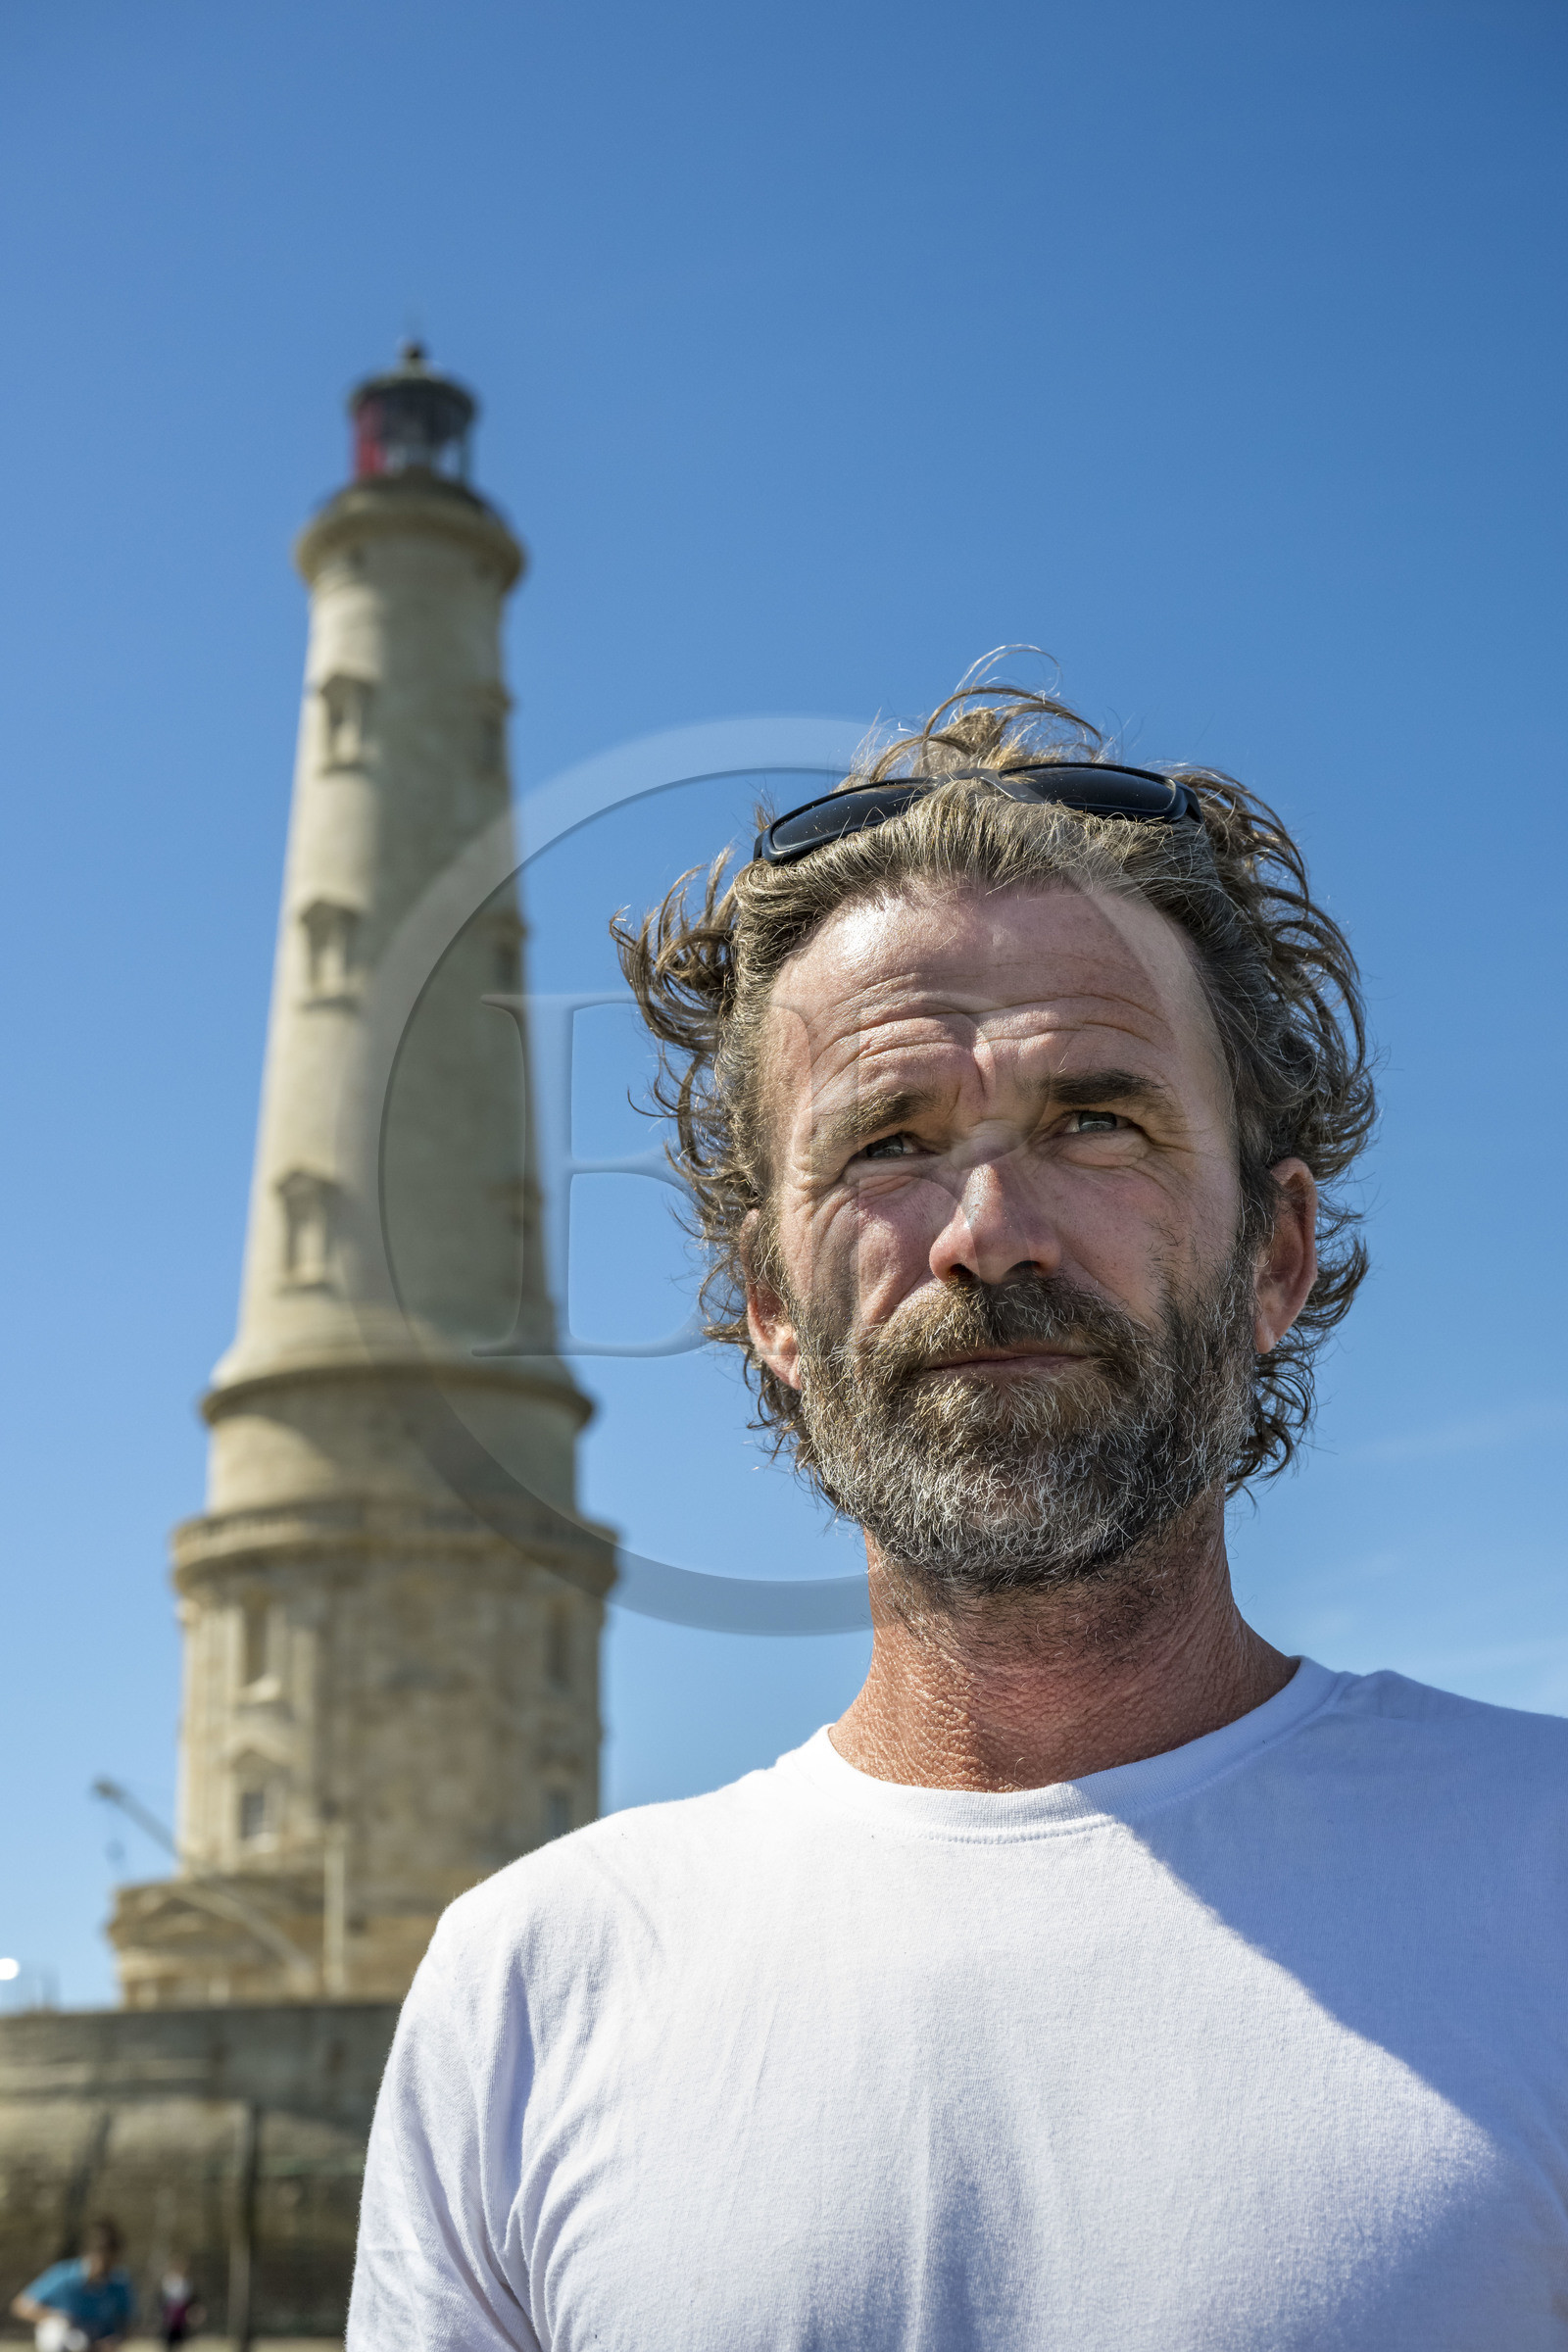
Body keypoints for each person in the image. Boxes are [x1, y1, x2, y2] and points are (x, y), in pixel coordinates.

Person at [349, 673, 1568, 2348]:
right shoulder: (531, 1990)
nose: (989, 1230)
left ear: (1275, 1253)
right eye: (887, 1141)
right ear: (770, 1306)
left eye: (1096, 1118)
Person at [12, 2218, 135, 2350]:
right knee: (55, 2329)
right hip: (69, 2336)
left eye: (112, 2262)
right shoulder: (65, 2276)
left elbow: (127, 2322)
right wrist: (55, 2316)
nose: (108, 2268)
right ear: (90, 2255)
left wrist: (115, 2340)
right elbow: (21, 2305)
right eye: (104, 2262)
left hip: (100, 2339)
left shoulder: (119, 2282)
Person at [155, 2260, 204, 2349]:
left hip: (181, 2312)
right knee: (169, 2334)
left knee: (180, 2335)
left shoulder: (186, 2282)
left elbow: (189, 2298)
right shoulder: (168, 2280)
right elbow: (163, 2297)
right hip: (170, 2312)